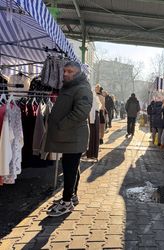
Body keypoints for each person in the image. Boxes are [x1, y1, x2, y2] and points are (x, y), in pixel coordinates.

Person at [45, 61, 93, 217]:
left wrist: (61, 125)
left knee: (69, 169)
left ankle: (66, 203)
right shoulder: (71, 87)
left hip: (74, 137)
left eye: (70, 71)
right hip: (70, 137)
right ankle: (72, 195)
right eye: (65, 71)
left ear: (78, 73)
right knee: (72, 167)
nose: (65, 74)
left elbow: (81, 113)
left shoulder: (83, 89)